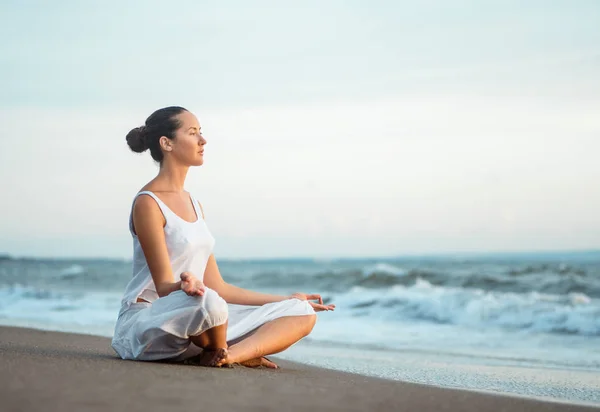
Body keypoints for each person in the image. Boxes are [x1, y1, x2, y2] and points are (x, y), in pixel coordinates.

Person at [111, 106, 335, 368]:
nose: (202, 141)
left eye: (201, 133)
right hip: (151, 321)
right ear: (166, 143)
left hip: (201, 316)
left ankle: (229, 355)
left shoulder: (194, 204)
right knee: (209, 303)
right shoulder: (148, 203)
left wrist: (288, 300)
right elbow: (163, 288)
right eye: (193, 133)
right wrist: (185, 286)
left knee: (302, 312)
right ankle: (221, 348)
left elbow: (220, 286)